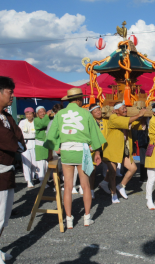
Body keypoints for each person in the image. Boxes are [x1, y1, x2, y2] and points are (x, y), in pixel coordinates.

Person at [44, 88, 106, 229]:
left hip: (66, 150)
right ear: (79, 100)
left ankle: (69, 219)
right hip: (82, 150)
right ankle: (87, 217)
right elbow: (95, 134)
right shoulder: (86, 113)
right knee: (85, 185)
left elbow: (51, 135)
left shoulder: (60, 114)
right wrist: (97, 151)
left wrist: (55, 148)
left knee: (67, 186)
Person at [0, 76, 25, 264]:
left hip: (7, 168)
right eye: (10, 92)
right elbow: (6, 140)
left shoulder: (7, 115)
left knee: (4, 214)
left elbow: (19, 137)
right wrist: (15, 143)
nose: (12, 96)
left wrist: (16, 143)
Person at [103, 101, 146, 204]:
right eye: (122, 108)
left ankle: (121, 185)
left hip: (123, 149)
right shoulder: (113, 118)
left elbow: (139, 125)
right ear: (116, 111)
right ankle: (113, 194)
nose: (125, 110)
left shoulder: (127, 119)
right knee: (113, 172)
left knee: (133, 168)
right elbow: (127, 121)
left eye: (125, 108)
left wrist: (144, 115)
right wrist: (139, 114)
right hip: (112, 149)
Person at [88, 104, 109, 199]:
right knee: (92, 171)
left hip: (104, 148)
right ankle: (91, 190)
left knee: (111, 168)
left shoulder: (105, 121)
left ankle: (104, 183)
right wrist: (89, 146)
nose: (98, 112)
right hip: (93, 148)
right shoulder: (89, 122)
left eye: (99, 110)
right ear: (91, 113)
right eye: (95, 111)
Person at [18, 107, 37, 188]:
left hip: (35, 142)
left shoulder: (36, 121)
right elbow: (19, 133)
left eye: (30, 113)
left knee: (34, 162)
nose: (28, 115)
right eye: (27, 114)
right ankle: (28, 180)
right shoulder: (22, 122)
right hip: (25, 143)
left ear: (33, 114)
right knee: (26, 162)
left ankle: (32, 177)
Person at [34, 105, 52, 186]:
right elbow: (42, 124)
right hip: (40, 144)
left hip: (47, 143)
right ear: (37, 114)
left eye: (43, 111)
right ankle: (42, 181)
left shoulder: (47, 118)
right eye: (40, 112)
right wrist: (47, 116)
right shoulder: (36, 120)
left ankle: (47, 179)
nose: (42, 113)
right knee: (41, 163)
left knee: (47, 164)